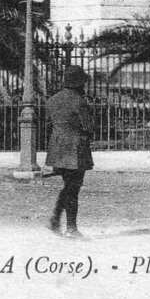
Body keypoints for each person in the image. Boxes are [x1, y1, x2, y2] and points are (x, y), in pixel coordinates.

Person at [44, 65, 95, 237]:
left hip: (57, 148)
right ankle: (71, 228)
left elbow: (48, 124)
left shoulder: (52, 100)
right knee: (73, 188)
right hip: (75, 150)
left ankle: (55, 220)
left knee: (68, 186)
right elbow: (88, 127)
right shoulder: (79, 101)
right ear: (79, 83)